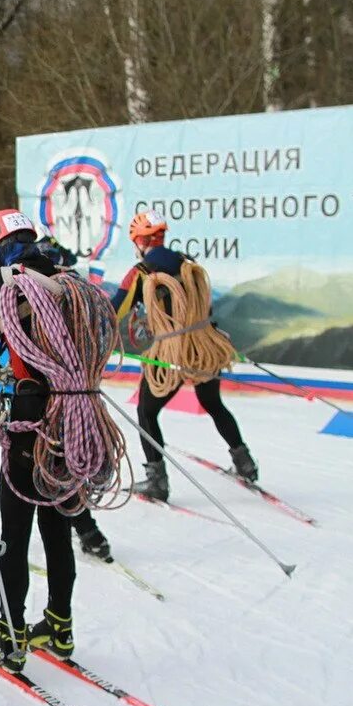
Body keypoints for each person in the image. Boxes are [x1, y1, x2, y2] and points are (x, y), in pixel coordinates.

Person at [0, 209, 119, 671]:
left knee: (14, 535)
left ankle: (11, 641)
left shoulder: (2, 283)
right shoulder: (66, 282)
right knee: (56, 529)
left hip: (26, 419)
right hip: (69, 418)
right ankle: (60, 628)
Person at [112, 210, 256, 500]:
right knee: (212, 401)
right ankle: (245, 463)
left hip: (171, 353)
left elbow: (115, 310)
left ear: (140, 240)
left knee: (147, 412)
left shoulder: (142, 273)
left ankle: (157, 481)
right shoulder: (188, 265)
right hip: (203, 347)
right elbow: (205, 308)